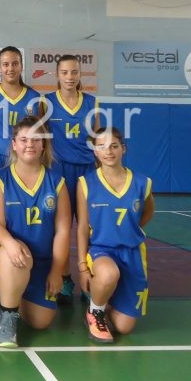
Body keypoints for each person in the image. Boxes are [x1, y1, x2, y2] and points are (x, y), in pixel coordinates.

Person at [0, 116, 70, 348]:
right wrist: (10, 243)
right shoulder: (1, 179)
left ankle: (13, 291)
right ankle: (7, 317)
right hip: (10, 253)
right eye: (23, 139)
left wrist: (57, 271)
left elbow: (63, 231)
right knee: (17, 255)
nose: (29, 144)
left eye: (36, 139)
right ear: (14, 144)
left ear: (44, 145)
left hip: (42, 259)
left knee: (42, 322)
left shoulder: (57, 182)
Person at [0, 46, 41, 306]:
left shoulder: (34, 98)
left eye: (15, 63)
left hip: (23, 163)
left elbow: (38, 132)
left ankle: (20, 268)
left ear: (21, 65)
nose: (10, 68)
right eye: (5, 64)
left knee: (18, 215)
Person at [77, 127, 154, 343]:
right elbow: (82, 226)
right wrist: (82, 266)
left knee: (124, 327)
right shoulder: (86, 183)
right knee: (108, 274)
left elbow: (148, 211)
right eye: (101, 146)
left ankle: (107, 298)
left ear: (123, 149)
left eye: (114, 146)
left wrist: (128, 230)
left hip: (132, 252)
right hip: (101, 250)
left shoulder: (142, 183)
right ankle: (95, 311)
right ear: (95, 151)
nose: (108, 151)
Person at [44, 54, 99, 304]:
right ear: (57, 74)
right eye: (65, 72)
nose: (70, 77)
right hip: (58, 171)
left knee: (88, 227)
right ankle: (65, 278)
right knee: (62, 228)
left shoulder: (92, 103)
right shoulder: (46, 103)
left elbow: (97, 141)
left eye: (74, 72)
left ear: (80, 74)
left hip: (86, 171)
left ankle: (88, 276)